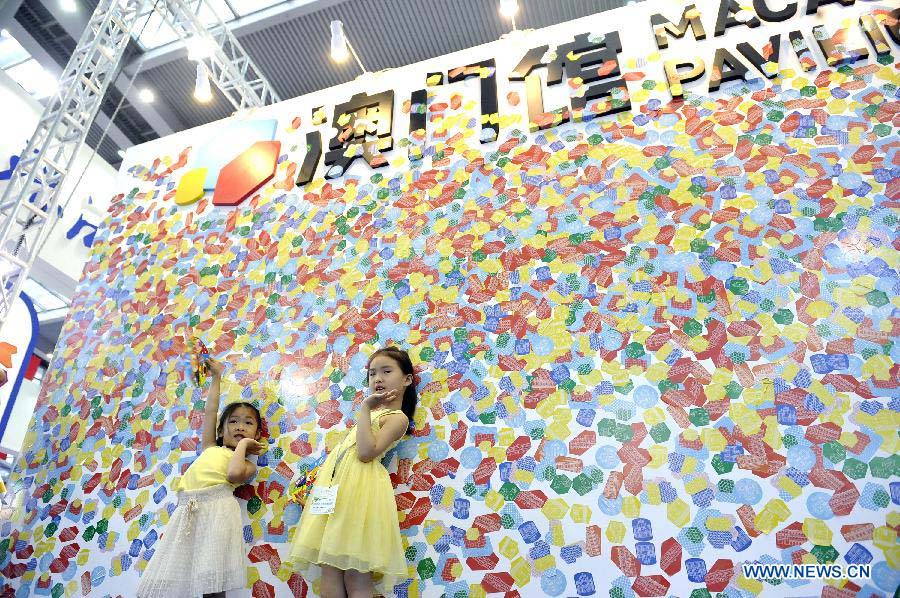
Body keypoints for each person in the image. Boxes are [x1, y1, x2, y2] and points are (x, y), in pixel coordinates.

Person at [288, 346, 417, 597]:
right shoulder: (373, 414)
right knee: (330, 568)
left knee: (356, 572)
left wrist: (366, 409)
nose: (377, 378)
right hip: (336, 490)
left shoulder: (397, 417)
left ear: (407, 379)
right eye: (372, 374)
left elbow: (366, 452)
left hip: (360, 491)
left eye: (386, 371)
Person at [137, 358, 266, 598]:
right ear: (220, 430)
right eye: (234, 421)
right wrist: (216, 377)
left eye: (248, 424)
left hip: (218, 512)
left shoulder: (246, 464)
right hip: (187, 510)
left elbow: (233, 474)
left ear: (256, 435)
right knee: (180, 576)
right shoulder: (209, 447)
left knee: (212, 580)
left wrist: (243, 446)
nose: (240, 426)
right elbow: (211, 410)